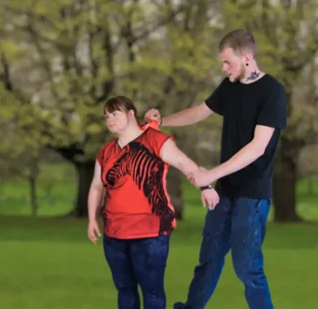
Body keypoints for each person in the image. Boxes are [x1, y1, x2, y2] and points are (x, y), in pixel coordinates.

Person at [144, 29, 287, 309]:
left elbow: (258, 147)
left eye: (227, 62)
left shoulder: (272, 92)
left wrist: (212, 174)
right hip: (225, 192)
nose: (223, 68)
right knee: (208, 260)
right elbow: (200, 111)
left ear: (247, 58)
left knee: (247, 268)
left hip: (252, 194)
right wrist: (161, 122)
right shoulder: (230, 86)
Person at [87, 95, 221, 309]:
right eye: (106, 116)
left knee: (152, 292)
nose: (110, 119)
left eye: (115, 113)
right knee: (125, 290)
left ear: (131, 114)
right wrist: (92, 219)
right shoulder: (105, 152)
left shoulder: (155, 140)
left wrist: (205, 186)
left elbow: (184, 163)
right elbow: (96, 186)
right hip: (114, 234)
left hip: (150, 233)